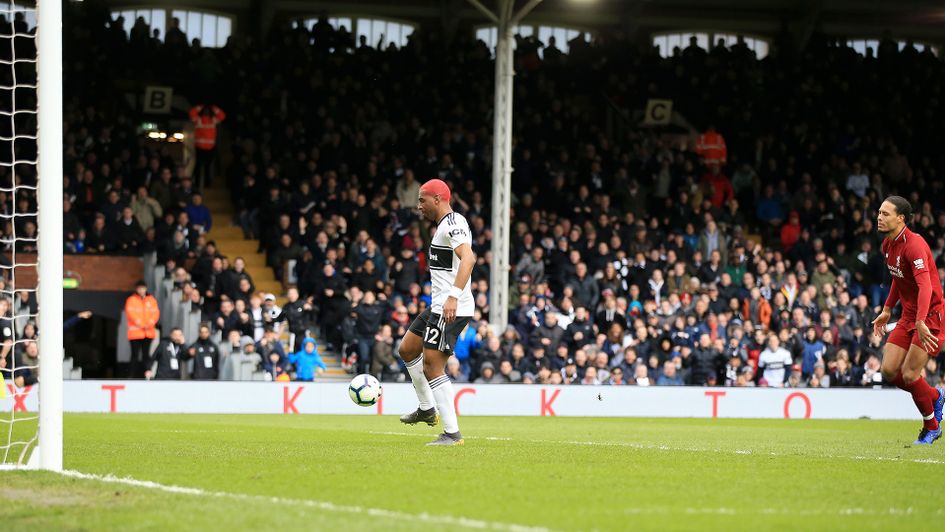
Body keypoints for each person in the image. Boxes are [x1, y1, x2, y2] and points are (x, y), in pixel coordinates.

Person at [398, 179, 475, 446]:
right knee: (408, 349)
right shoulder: (445, 225)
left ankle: (452, 434)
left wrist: (453, 296)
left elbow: (469, 258)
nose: (419, 205)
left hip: (451, 307)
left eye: (422, 200)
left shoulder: (452, 224)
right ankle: (427, 408)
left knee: (432, 365)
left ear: (438, 199)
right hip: (439, 305)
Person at [871, 196, 945, 445]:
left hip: (930, 316)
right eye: (879, 212)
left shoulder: (915, 245)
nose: (879, 217)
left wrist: (921, 321)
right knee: (889, 371)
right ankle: (935, 395)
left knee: (911, 375)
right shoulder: (887, 244)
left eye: (885, 214)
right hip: (909, 315)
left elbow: (925, 286)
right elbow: (898, 277)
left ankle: (931, 427)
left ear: (900, 218)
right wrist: (887, 309)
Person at [124, 280, 160, 378]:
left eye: (142, 288)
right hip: (135, 333)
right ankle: (131, 376)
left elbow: (156, 313)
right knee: (134, 355)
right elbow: (131, 314)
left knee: (146, 355)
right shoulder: (131, 300)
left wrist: (149, 323)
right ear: (136, 289)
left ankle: (146, 375)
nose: (141, 290)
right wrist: (142, 324)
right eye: (139, 288)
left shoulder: (151, 300)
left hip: (148, 333)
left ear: (146, 288)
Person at [188, 104, 226, 188]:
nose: (206, 112)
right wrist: (202, 106)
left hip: (209, 148)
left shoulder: (212, 120)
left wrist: (213, 107)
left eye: (207, 111)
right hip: (201, 147)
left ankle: (206, 185)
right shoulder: (199, 120)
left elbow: (222, 116)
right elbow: (191, 113)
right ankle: (198, 184)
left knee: (206, 167)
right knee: (200, 166)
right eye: (205, 110)